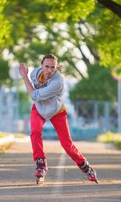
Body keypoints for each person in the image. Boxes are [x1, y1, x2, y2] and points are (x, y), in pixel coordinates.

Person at [19, 54, 99, 184]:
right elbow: (36, 91)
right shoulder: (34, 73)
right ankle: (41, 163)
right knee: (35, 130)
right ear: (41, 66)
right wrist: (30, 76)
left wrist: (24, 77)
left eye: (52, 67)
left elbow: (34, 95)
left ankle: (86, 167)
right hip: (39, 109)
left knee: (67, 145)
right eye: (47, 67)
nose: (49, 70)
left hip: (56, 111)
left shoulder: (58, 82)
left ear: (56, 68)